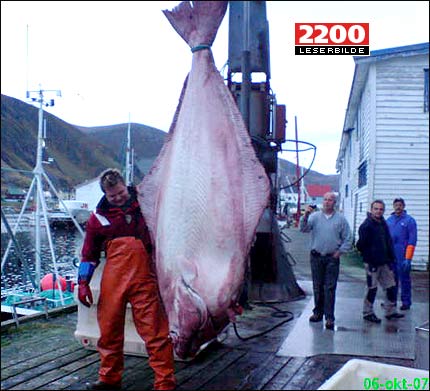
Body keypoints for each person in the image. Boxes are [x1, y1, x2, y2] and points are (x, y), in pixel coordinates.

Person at [77, 168, 176, 390]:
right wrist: (83, 283)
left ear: (126, 186)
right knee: (109, 330)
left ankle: (165, 383)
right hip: (114, 279)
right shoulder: (97, 219)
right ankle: (109, 379)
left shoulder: (146, 204)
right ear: (105, 195)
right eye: (113, 196)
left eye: (121, 192)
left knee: (155, 333)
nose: (118, 197)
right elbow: (89, 255)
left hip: (145, 277)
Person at [300, 192, 352, 330]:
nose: (327, 202)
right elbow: (303, 229)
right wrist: (305, 215)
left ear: (334, 203)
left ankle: (329, 317)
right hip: (316, 257)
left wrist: (339, 252)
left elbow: (348, 238)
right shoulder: (314, 217)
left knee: (329, 288)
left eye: (330, 200)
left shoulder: (341, 220)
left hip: (331, 259)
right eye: (325, 199)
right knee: (317, 287)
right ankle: (317, 313)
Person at [356, 200, 404, 323]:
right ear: (371, 210)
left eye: (381, 209)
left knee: (391, 286)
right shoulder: (366, 226)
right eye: (376, 209)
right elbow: (360, 245)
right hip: (372, 263)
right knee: (372, 288)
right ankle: (368, 312)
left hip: (385, 262)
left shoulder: (383, 223)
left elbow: (388, 242)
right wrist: (369, 258)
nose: (378, 211)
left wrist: (391, 257)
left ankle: (390, 311)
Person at [386, 198, 417, 310]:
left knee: (404, 280)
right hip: (391, 255)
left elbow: (412, 240)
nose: (398, 207)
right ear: (393, 206)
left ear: (403, 206)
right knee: (390, 280)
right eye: (396, 205)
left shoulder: (410, 221)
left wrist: (408, 258)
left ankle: (406, 302)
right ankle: (391, 301)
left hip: (403, 255)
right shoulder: (389, 220)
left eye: (400, 205)